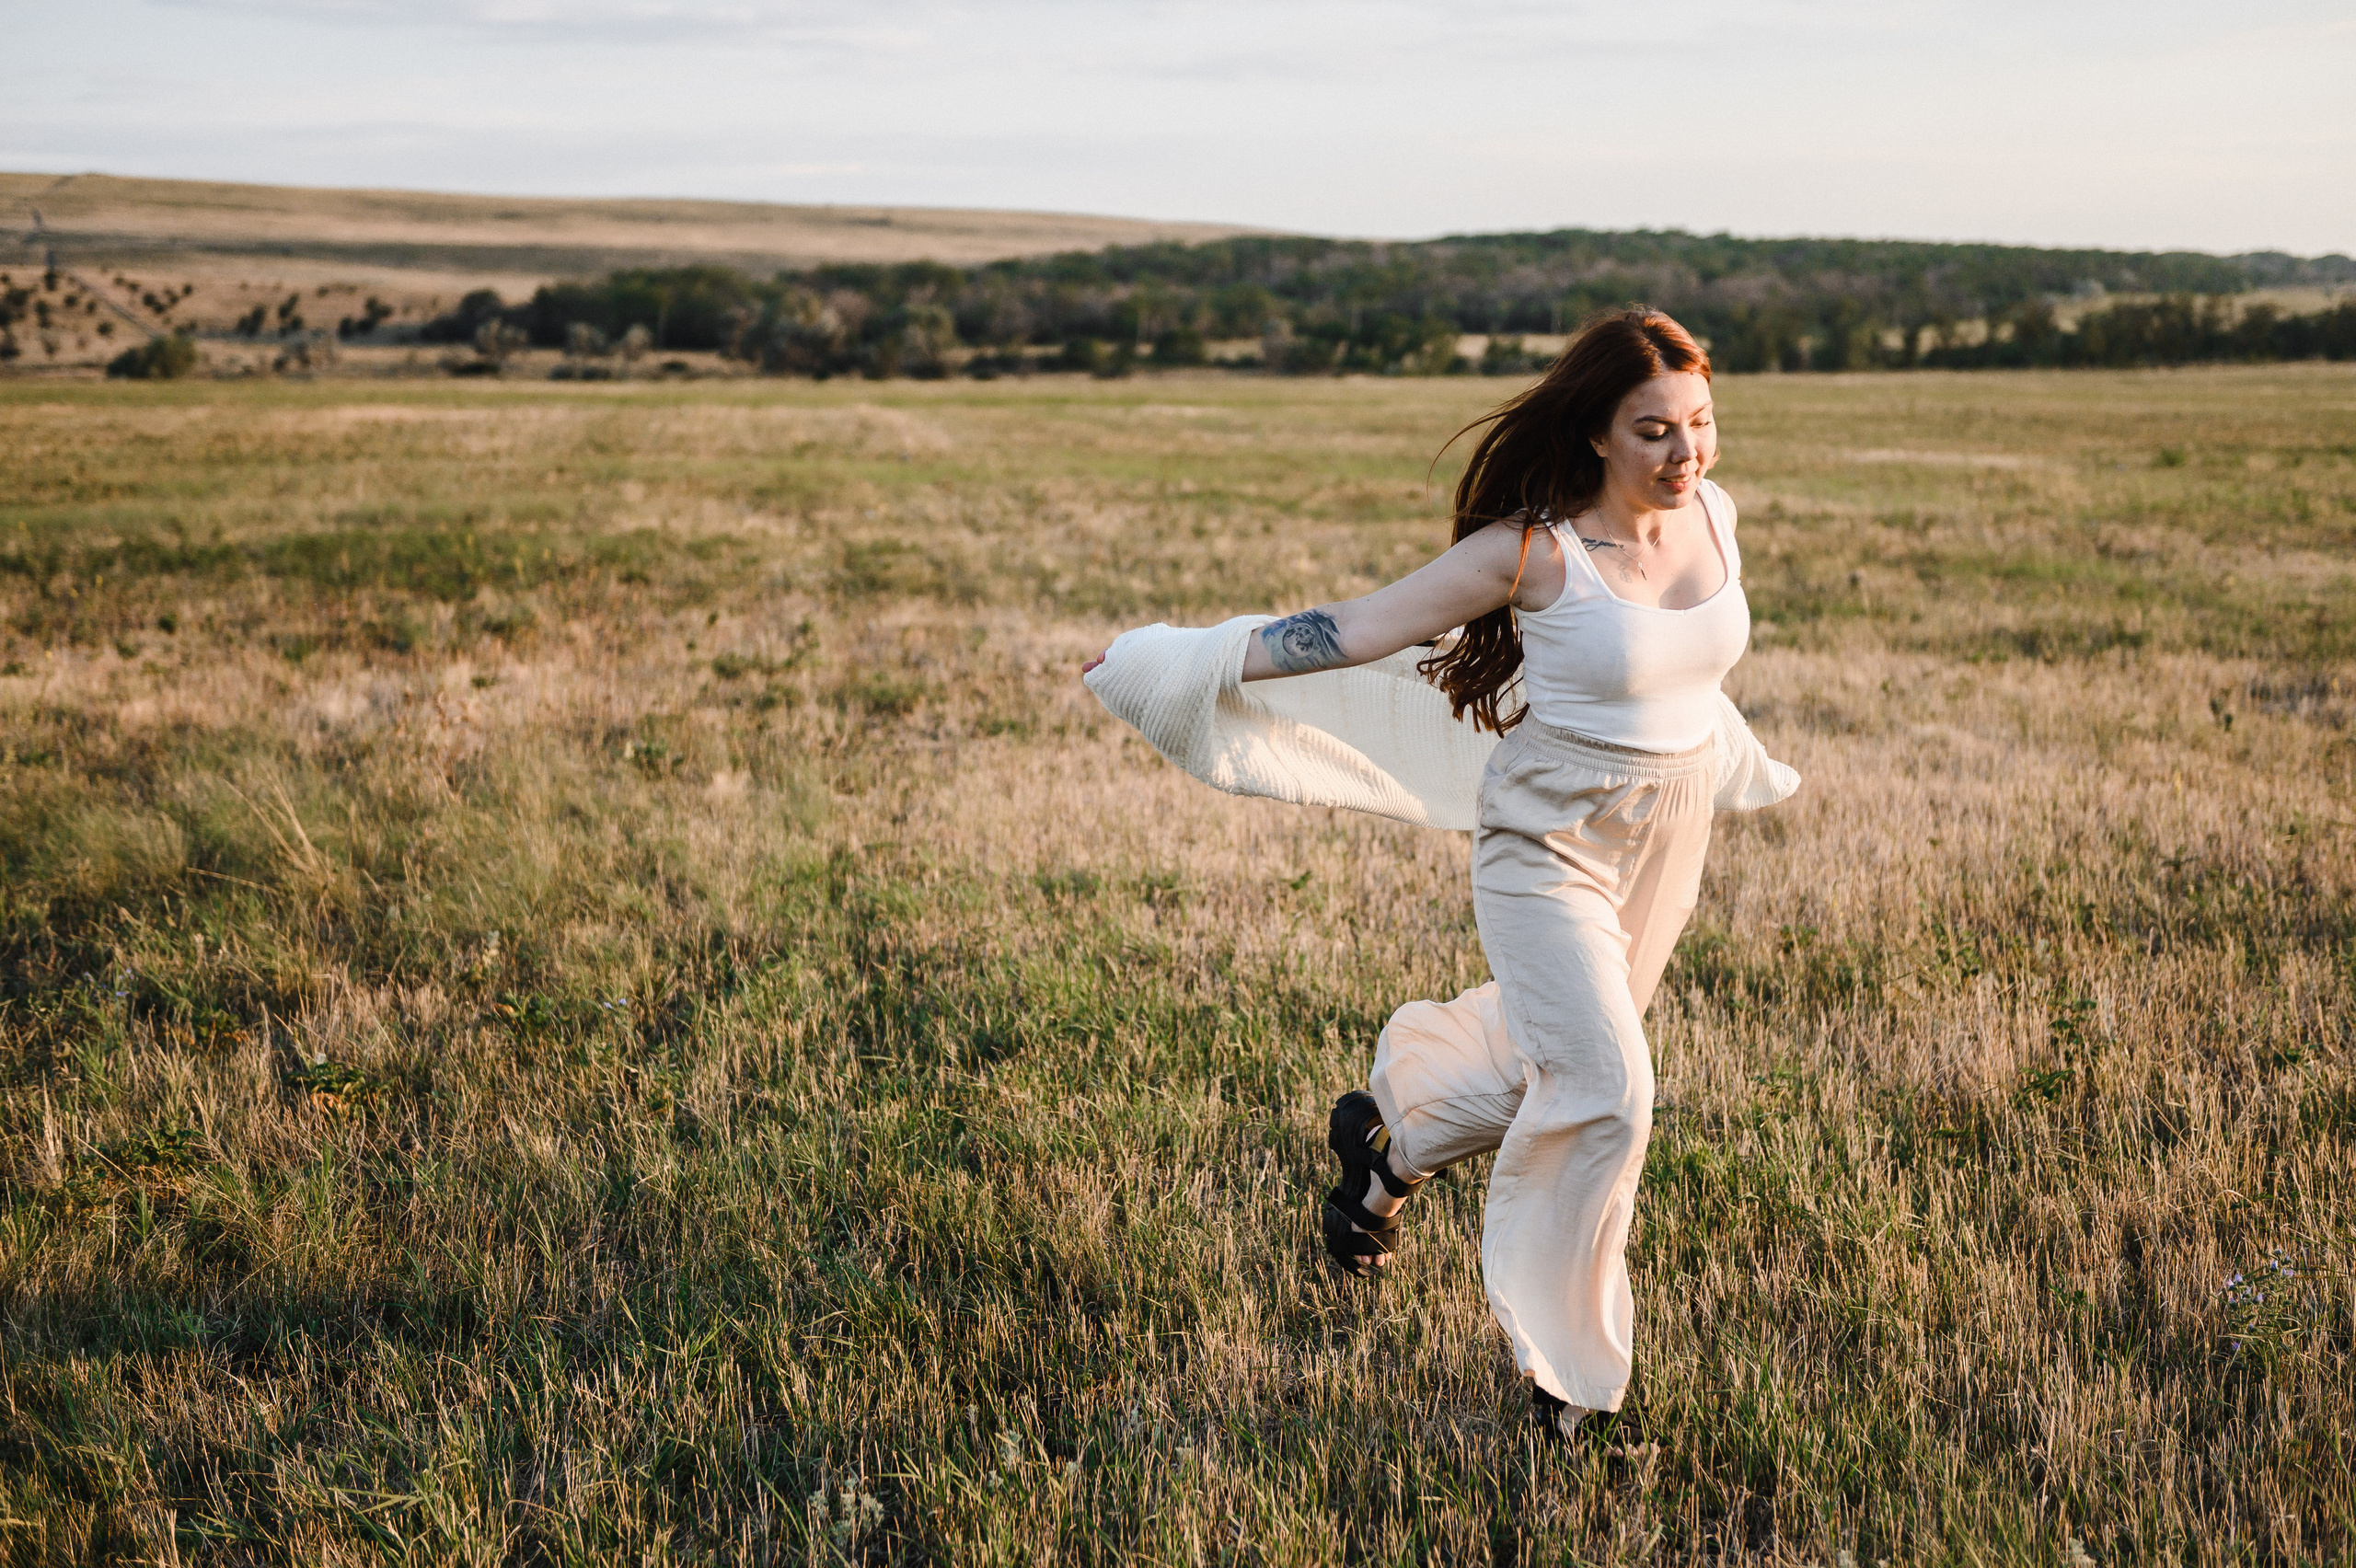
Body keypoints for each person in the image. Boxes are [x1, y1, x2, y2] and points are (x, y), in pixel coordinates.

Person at [1084, 306, 1774, 1442]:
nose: (1684, 452)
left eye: (1699, 423)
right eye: (1653, 430)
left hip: (1667, 837)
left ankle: (1383, 1152)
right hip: (1547, 844)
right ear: (1596, 434)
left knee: (1541, 1072)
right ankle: (1569, 1379)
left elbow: (1686, 676)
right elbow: (1353, 630)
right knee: (1610, 1090)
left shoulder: (1713, 516)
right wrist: (1180, 660)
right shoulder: (1532, 552)